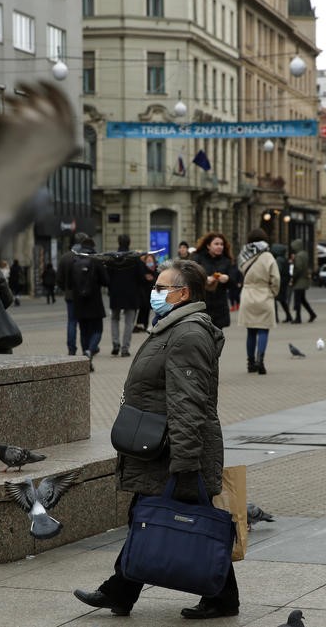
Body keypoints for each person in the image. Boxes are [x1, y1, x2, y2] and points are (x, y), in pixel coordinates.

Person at [73, 259, 237, 619]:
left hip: (173, 449)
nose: (155, 293)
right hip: (160, 447)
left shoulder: (188, 334)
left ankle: (125, 591)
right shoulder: (172, 328)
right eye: (156, 287)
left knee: (183, 519)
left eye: (162, 289)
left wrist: (185, 462)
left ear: (183, 293)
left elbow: (188, 402)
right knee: (153, 515)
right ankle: (124, 591)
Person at [238, 229, 280, 374]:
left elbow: (240, 272)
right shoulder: (268, 256)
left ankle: (250, 363)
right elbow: (275, 278)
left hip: (248, 293)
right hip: (264, 293)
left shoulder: (244, 254)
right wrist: (273, 292)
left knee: (250, 331)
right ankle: (260, 360)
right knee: (263, 329)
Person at [67, 236, 109, 371]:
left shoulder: (74, 261)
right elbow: (106, 281)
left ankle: (86, 360)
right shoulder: (96, 260)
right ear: (93, 247)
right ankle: (90, 351)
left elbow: (68, 283)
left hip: (78, 303)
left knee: (84, 332)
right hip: (94, 302)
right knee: (97, 330)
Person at [107, 235, 144, 357]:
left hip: (115, 293)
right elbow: (141, 276)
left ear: (118, 242)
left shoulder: (113, 257)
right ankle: (124, 348)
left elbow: (108, 276)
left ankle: (115, 343)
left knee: (114, 319)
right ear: (129, 243)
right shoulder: (135, 258)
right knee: (129, 322)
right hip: (131, 294)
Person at [191, 232, 233, 329]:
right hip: (202, 304)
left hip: (219, 305)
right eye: (216, 244)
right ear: (208, 246)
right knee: (202, 336)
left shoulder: (226, 260)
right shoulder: (198, 258)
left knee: (217, 338)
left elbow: (235, 283)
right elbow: (190, 277)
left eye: (221, 244)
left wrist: (227, 279)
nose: (220, 247)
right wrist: (204, 279)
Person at [56, 233, 88, 355]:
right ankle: (86, 349)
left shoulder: (65, 257)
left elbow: (58, 279)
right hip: (85, 296)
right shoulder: (87, 256)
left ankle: (71, 348)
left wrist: (65, 289)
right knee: (84, 324)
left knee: (72, 322)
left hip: (70, 296)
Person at [289, 238, 316, 323]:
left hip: (299, 281)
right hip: (304, 279)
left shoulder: (299, 255)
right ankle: (312, 314)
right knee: (302, 300)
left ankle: (298, 317)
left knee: (298, 300)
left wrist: (293, 277)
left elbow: (298, 268)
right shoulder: (304, 254)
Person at [270, 242, 293, 323]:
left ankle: (275, 318)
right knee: (282, 300)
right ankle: (288, 316)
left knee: (275, 299)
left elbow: (277, 271)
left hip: (280, 282)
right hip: (284, 281)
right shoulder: (283, 259)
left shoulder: (279, 260)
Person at [135, 253, 158, 331]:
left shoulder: (156, 270)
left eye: (151, 261)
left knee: (149, 309)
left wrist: (152, 279)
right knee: (144, 308)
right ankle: (140, 325)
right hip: (144, 293)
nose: (149, 263)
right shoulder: (143, 270)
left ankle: (146, 325)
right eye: (147, 261)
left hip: (153, 294)